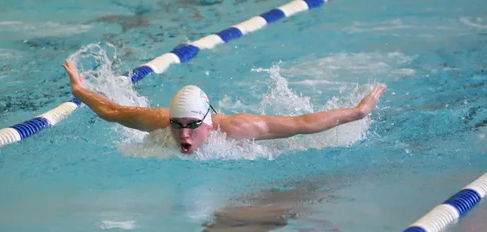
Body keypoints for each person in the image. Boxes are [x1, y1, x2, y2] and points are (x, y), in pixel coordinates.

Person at [63, 59, 385, 154]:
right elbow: (114, 111)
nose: (183, 134)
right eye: (178, 125)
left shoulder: (236, 129)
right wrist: (81, 89)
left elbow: (302, 122)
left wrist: (357, 112)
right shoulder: (163, 122)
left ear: (207, 122)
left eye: (191, 125)